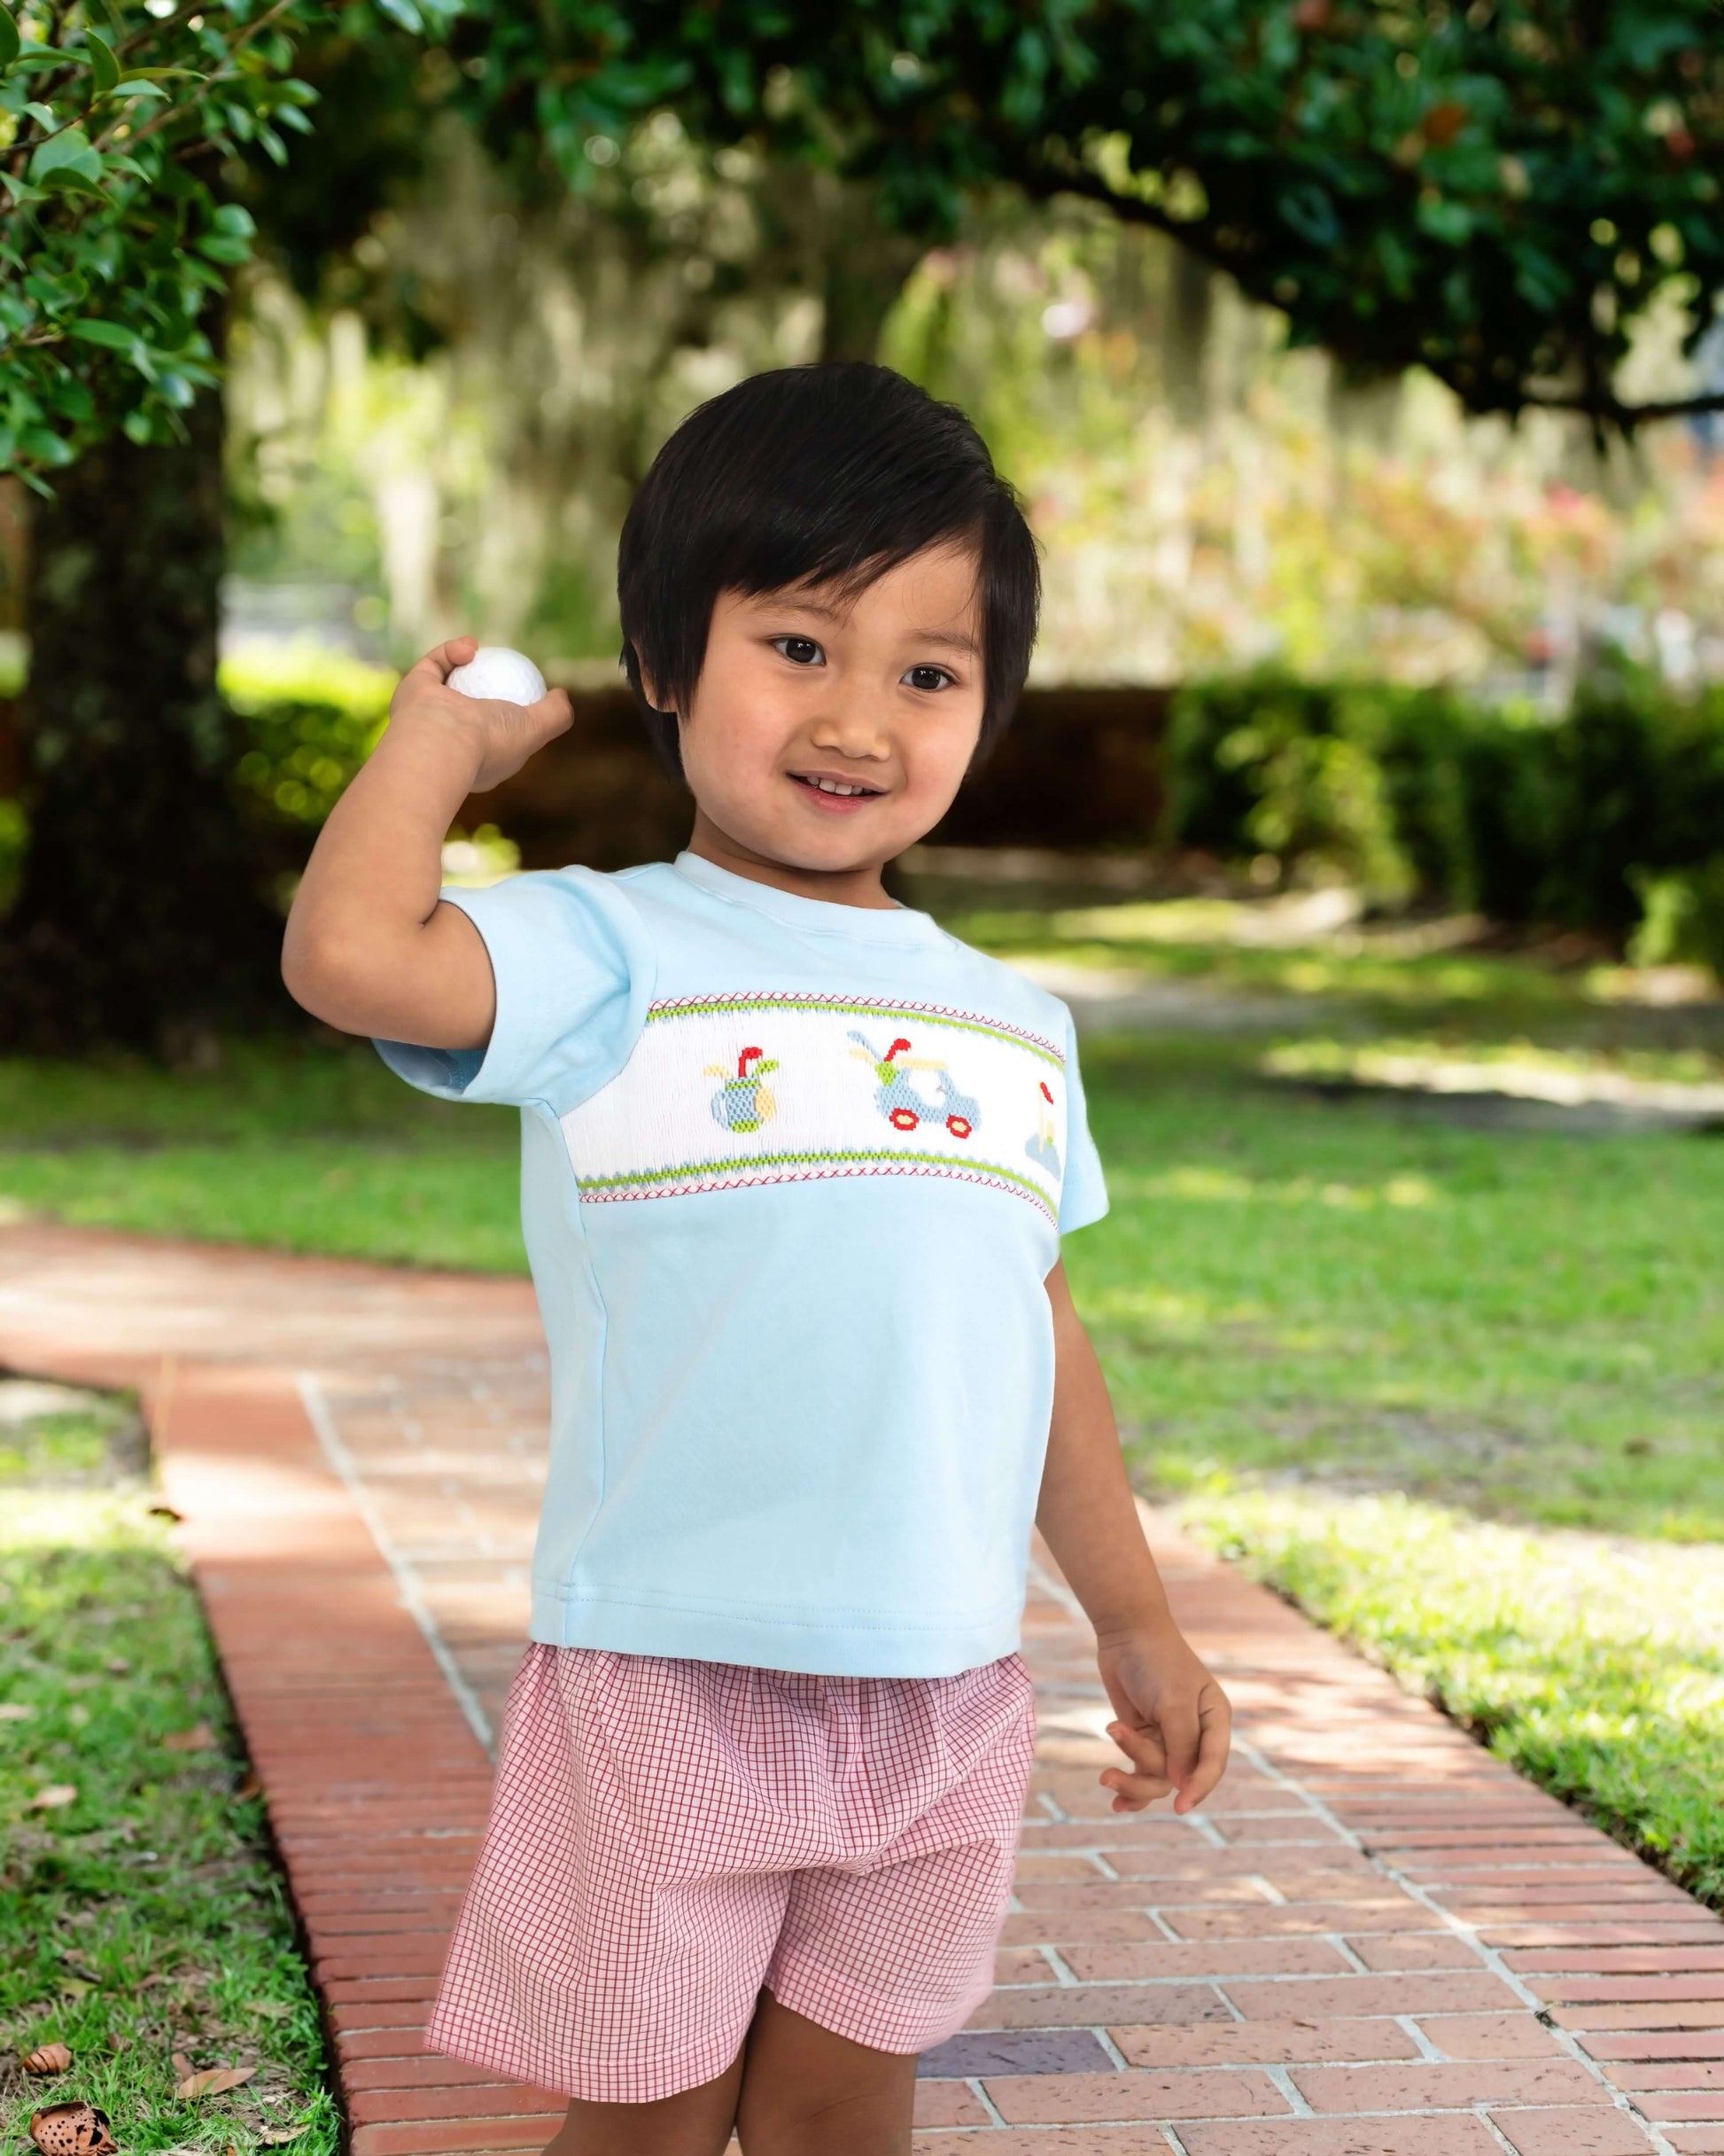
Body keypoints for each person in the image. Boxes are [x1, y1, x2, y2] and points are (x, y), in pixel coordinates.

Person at [282, 363, 1231, 2156]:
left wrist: (1134, 1615)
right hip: (670, 1669)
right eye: (799, 644)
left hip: (945, 1680)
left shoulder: (1013, 1023)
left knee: (835, 2115)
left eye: (927, 671)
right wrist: (441, 745)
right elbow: (349, 955)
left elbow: (1035, 1326)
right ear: (664, 660)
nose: (859, 715)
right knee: (646, 2123)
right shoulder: (603, 949)